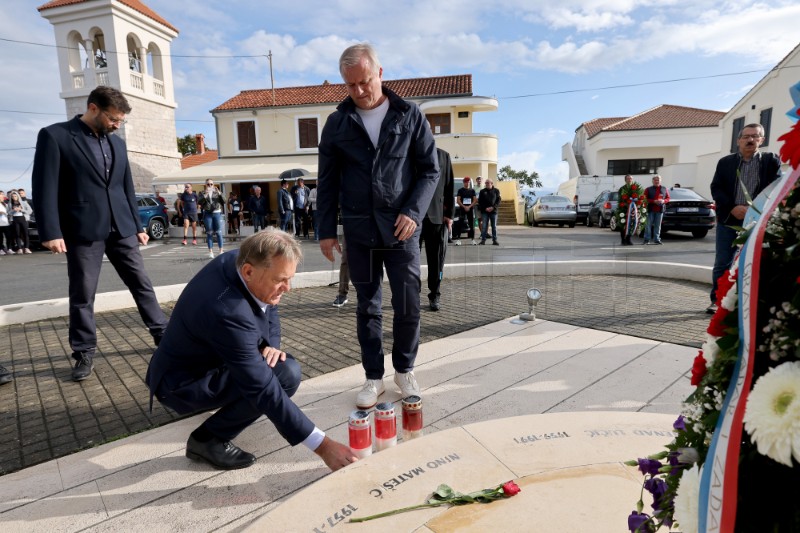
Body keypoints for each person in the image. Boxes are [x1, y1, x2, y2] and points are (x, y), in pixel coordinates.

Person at [146, 229, 356, 472]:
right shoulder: (227, 310)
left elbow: (270, 305)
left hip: (205, 360)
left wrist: (271, 347)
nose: (287, 288)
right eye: (281, 280)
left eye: (290, 278)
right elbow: (262, 388)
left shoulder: (243, 260)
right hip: (182, 383)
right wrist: (323, 445)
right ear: (248, 272)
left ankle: (226, 407)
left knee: (276, 363)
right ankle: (207, 439)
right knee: (284, 375)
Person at [316, 43, 439, 409]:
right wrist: (325, 230)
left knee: (408, 304)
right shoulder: (337, 123)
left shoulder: (409, 115)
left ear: (380, 74)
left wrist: (414, 212)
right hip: (359, 231)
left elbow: (430, 170)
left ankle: (404, 369)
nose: (359, 91)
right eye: (350, 85)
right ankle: (373, 378)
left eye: (364, 82)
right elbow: (327, 181)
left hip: (401, 230)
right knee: (367, 307)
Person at [31, 85, 167, 381]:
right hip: (82, 229)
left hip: (122, 227)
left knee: (142, 283)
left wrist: (138, 225)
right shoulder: (55, 136)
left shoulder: (116, 143)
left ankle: (163, 335)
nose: (117, 125)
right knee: (82, 293)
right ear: (93, 108)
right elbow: (44, 187)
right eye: (114, 119)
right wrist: (51, 231)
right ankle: (83, 351)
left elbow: (125, 187)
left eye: (121, 121)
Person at [708, 123, 781, 314]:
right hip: (729, 219)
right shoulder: (725, 162)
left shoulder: (771, 161)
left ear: (761, 140)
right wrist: (733, 207)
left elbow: (776, 189)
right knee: (723, 262)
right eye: (746, 136)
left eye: (755, 136)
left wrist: (755, 210)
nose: (750, 140)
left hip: (758, 221)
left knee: (757, 261)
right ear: (738, 140)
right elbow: (716, 188)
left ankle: (752, 304)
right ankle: (718, 300)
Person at [419, 148, 454, 311]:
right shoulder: (408, 151)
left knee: (437, 260)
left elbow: (449, 186)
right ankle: (411, 293)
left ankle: (435, 294)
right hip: (412, 217)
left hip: (437, 217)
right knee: (408, 261)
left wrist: (449, 215)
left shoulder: (443, 156)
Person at [198, 179, 225, 258]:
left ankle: (221, 250)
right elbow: (199, 202)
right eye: (208, 184)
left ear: (213, 184)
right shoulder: (202, 193)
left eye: (211, 184)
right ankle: (211, 252)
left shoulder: (217, 192)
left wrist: (220, 193)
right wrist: (205, 195)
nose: (210, 186)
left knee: (218, 232)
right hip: (207, 213)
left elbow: (224, 201)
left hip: (216, 212)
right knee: (209, 232)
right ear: (205, 185)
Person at [643, 175, 669, 245]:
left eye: (658, 180)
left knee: (658, 226)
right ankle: (646, 240)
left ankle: (657, 239)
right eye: (655, 180)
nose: (657, 181)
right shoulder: (648, 189)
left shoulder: (664, 189)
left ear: (660, 181)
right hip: (650, 210)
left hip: (660, 210)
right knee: (648, 225)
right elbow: (644, 199)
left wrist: (663, 201)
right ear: (652, 181)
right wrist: (653, 201)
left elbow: (668, 198)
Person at [478, 179, 501, 245]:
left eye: (488, 183)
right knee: (484, 226)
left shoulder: (496, 191)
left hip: (493, 211)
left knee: (494, 226)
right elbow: (480, 201)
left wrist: (493, 207)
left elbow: (498, 200)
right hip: (485, 211)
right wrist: (485, 208)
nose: (487, 184)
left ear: (492, 183)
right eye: (486, 183)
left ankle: (494, 240)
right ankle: (483, 240)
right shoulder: (482, 191)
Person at [456, 176, 478, 245]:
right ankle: (458, 239)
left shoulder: (472, 191)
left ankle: (472, 239)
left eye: (468, 182)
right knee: (460, 223)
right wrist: (464, 206)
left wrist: (469, 206)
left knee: (471, 224)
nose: (467, 183)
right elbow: (458, 200)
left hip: (470, 209)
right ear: (463, 183)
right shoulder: (460, 190)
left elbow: (475, 200)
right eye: (466, 182)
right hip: (462, 209)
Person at [618, 174, 635, 246]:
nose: (629, 180)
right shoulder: (622, 188)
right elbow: (620, 199)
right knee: (623, 224)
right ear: (625, 180)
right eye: (628, 178)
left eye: (630, 178)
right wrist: (626, 204)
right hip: (623, 209)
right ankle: (623, 240)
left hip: (633, 209)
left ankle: (629, 239)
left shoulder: (635, 188)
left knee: (631, 224)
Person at [0, 191, 14, 255]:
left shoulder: (5, 204)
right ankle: (1, 249)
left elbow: (8, 212)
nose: (3, 196)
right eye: (1, 194)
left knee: (9, 236)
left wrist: (13, 211)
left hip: (6, 223)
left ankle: (9, 249)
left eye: (3, 194)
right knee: (0, 238)